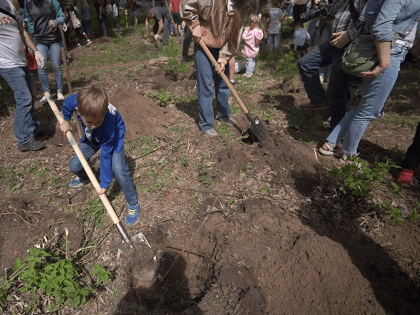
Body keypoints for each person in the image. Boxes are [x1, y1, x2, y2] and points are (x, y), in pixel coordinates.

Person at [319, 0, 420, 164]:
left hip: (394, 49)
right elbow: (381, 26)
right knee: (370, 110)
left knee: (368, 105)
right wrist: (385, 62)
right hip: (390, 50)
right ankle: (348, 157)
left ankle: (331, 143)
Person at [60, 85, 141, 226]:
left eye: (98, 121)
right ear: (78, 111)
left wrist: (104, 182)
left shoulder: (108, 125)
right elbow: (67, 104)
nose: (93, 125)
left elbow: (105, 156)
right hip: (92, 138)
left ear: (103, 114)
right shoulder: (76, 102)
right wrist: (66, 120)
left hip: (111, 138)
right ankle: (85, 176)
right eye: (89, 121)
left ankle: (133, 203)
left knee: (119, 170)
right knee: (74, 165)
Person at [297, 0, 367, 131]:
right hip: (334, 41)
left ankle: (334, 133)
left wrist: (350, 35)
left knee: (337, 92)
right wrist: (323, 8)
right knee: (305, 63)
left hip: (350, 45)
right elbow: (333, 14)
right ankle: (319, 101)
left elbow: (369, 19)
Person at [180, 0, 245, 136]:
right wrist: (196, 24)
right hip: (204, 43)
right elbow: (187, 6)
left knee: (223, 84)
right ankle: (206, 123)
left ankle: (224, 115)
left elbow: (236, 36)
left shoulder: (241, 5)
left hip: (223, 46)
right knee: (205, 84)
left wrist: (223, 58)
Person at [0, 0, 48, 152]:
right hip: (7, 64)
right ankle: (23, 139)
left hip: (21, 60)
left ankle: (34, 129)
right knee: (24, 98)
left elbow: (22, 31)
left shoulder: (7, 5)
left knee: (31, 96)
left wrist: (35, 51)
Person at [24, 0, 66, 103]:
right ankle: (46, 93)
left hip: (54, 39)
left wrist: (56, 21)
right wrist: (30, 40)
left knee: (56, 65)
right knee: (41, 67)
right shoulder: (28, 2)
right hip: (39, 39)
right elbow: (28, 20)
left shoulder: (52, 1)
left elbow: (62, 16)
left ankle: (59, 91)